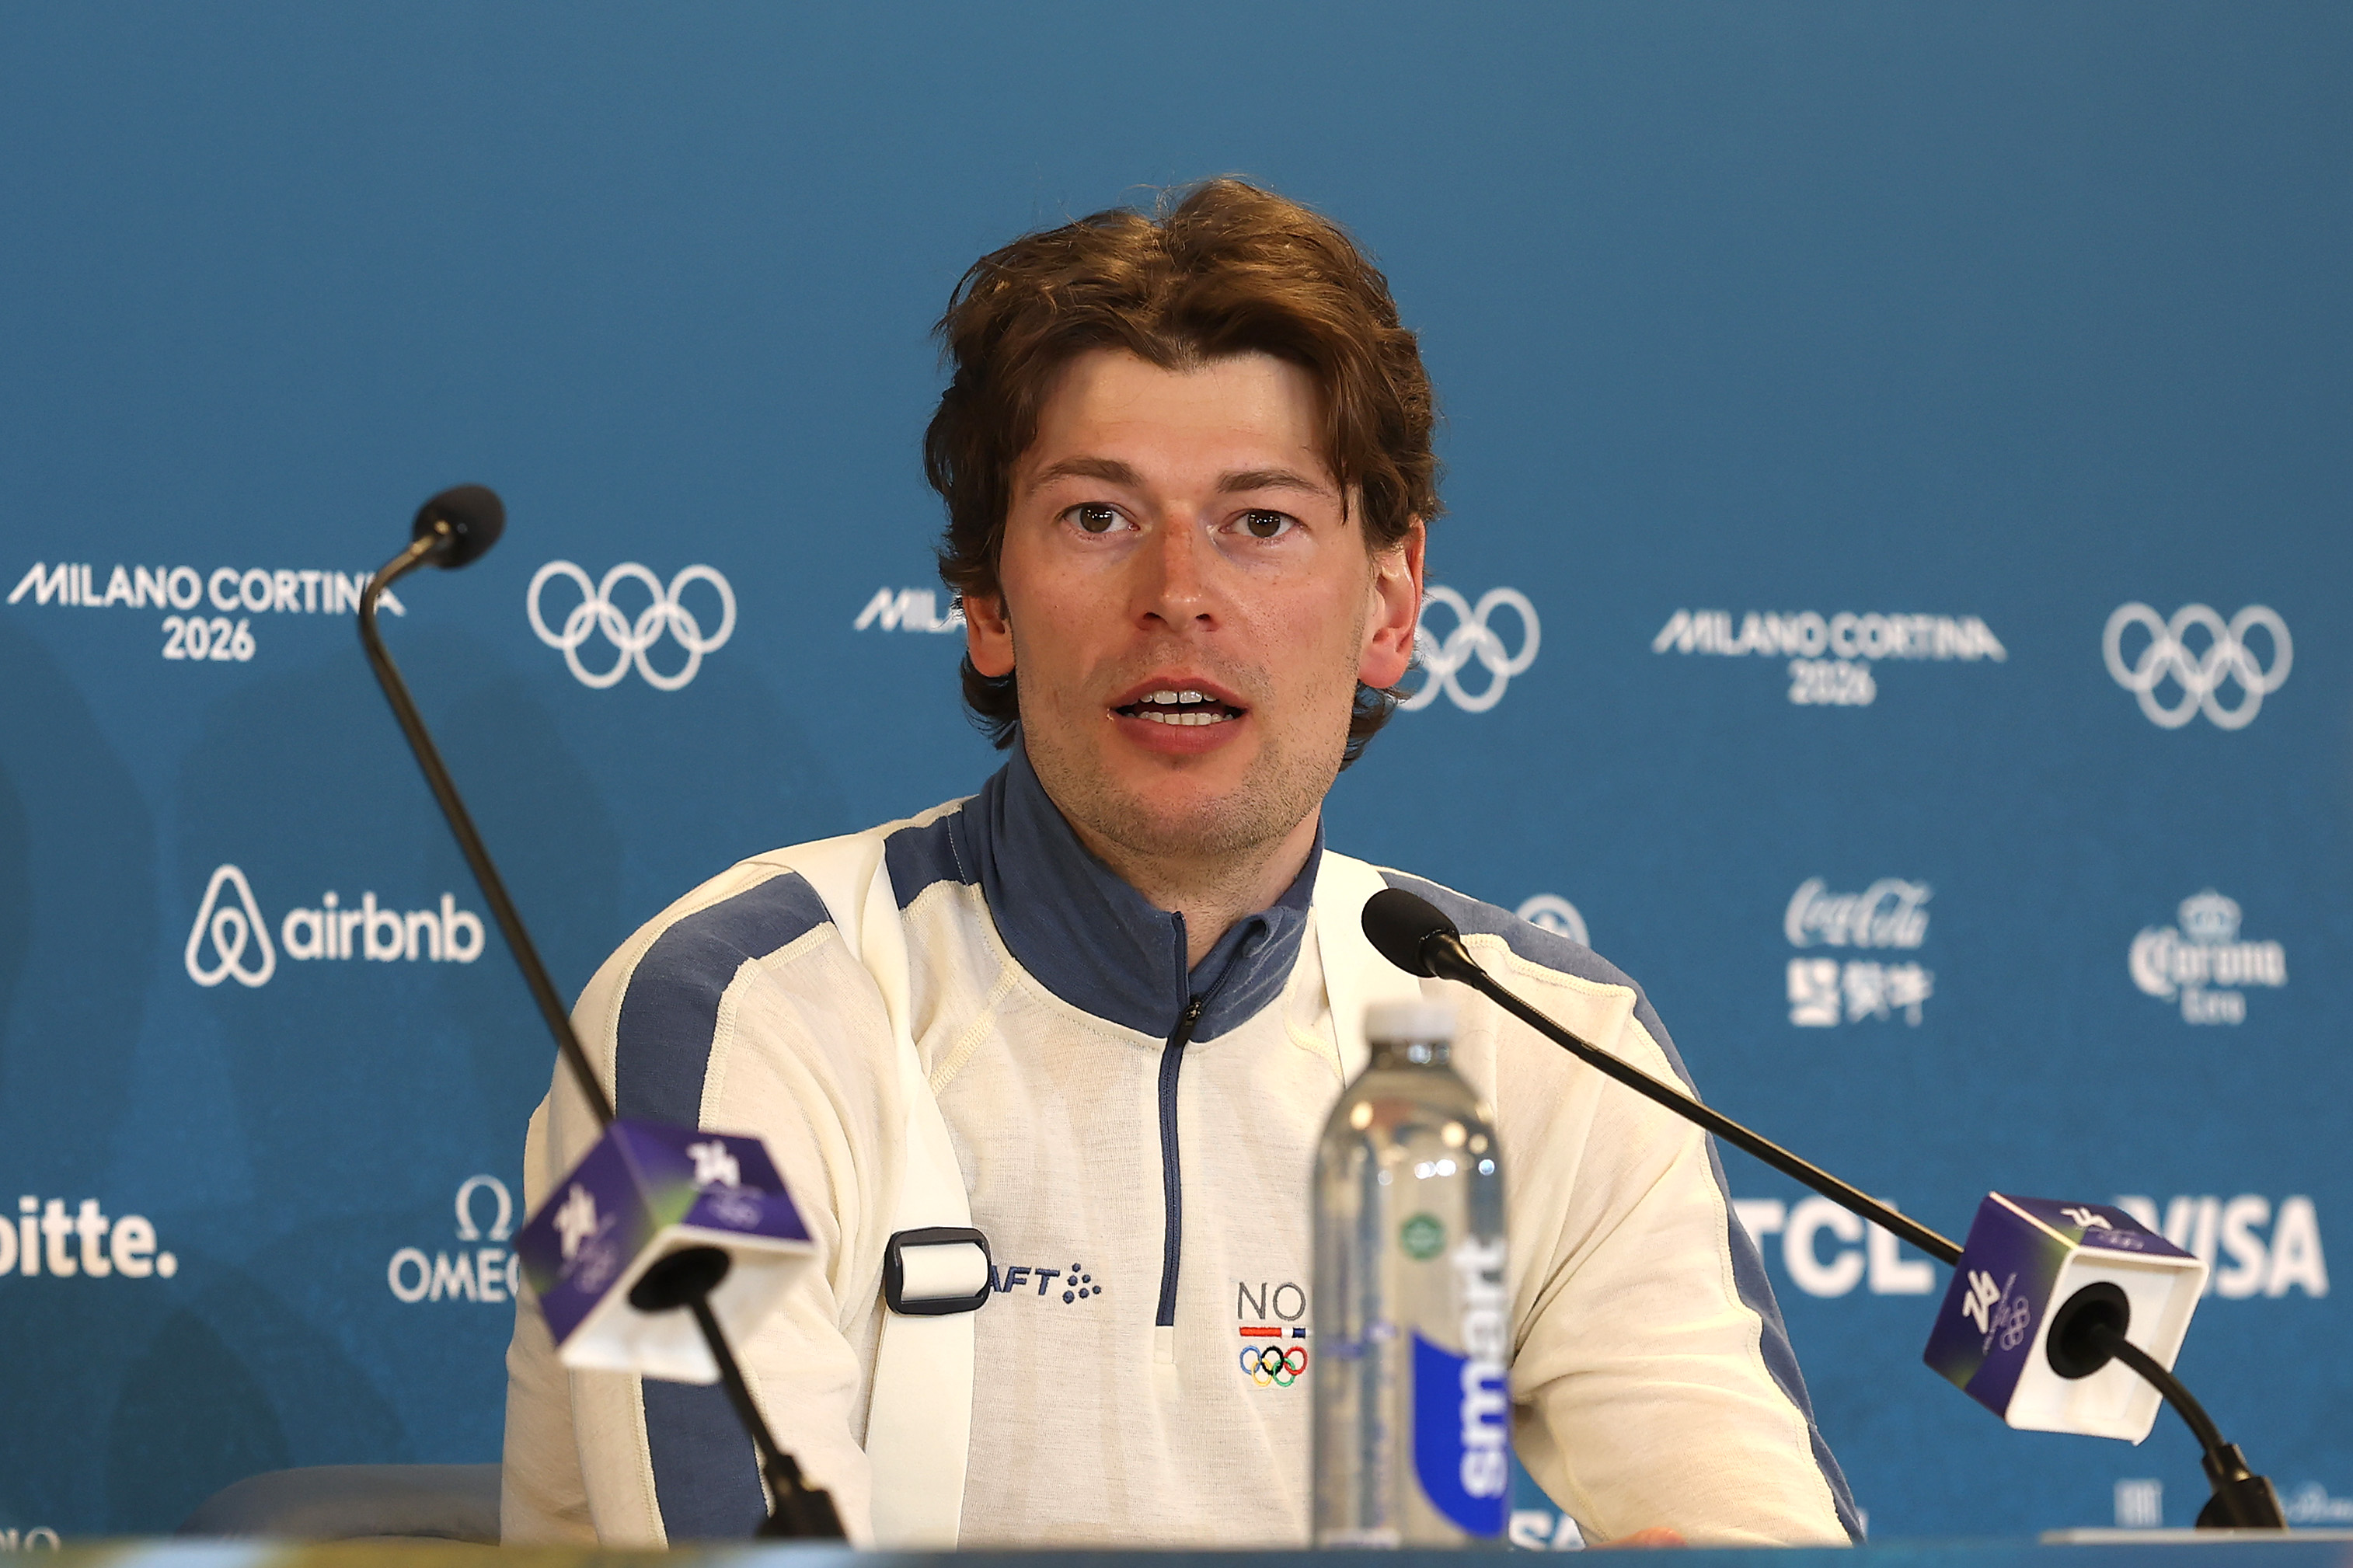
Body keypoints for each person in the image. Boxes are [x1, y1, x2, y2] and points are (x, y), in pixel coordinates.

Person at [500, 179, 1860, 1550]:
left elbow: (1752, 1531)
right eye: (1098, 517)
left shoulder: (1554, 1043)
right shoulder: (712, 1019)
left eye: (1260, 522)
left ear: (1389, 606)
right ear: (988, 606)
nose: (1177, 592)